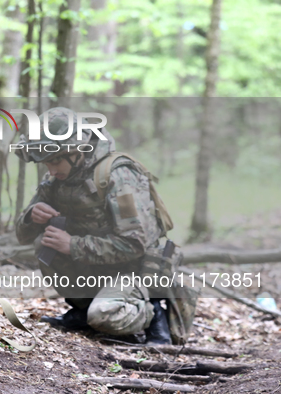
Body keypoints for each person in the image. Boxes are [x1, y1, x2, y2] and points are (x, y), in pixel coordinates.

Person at [15, 107, 195, 345]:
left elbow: (135, 244)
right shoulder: (57, 178)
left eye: (55, 160)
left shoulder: (117, 175)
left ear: (76, 150)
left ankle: (151, 313)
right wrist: (31, 217)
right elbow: (22, 236)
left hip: (132, 271)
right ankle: (85, 310)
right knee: (45, 245)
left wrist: (73, 245)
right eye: (46, 162)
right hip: (95, 267)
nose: (51, 169)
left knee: (102, 317)